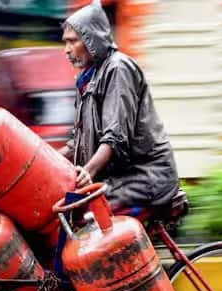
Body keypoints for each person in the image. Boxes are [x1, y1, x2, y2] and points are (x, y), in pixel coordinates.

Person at [60, 0, 180, 213]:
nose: (67, 50)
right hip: (122, 178)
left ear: (91, 40)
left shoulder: (118, 68)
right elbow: (77, 142)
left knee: (85, 212)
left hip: (144, 177)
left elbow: (115, 136)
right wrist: (42, 159)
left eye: (73, 42)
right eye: (65, 43)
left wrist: (88, 171)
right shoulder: (89, 79)